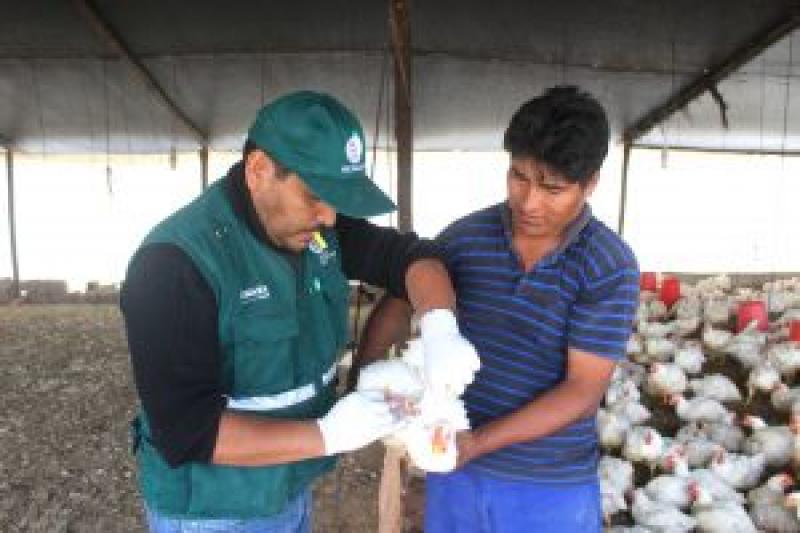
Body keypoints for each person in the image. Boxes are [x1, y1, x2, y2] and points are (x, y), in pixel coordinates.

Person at [120, 90, 479, 532]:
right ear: (258, 171)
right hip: (215, 509)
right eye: (316, 196)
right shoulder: (175, 265)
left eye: (338, 200)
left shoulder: (318, 227)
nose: (330, 217)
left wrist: (440, 327)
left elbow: (412, 257)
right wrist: (328, 434)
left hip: (289, 483)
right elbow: (186, 430)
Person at [353, 86, 640, 532]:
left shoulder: (608, 266)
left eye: (552, 188)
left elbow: (582, 392)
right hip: (455, 468)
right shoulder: (467, 238)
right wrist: (363, 376)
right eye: (518, 177)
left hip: (547, 487)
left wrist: (478, 443)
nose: (529, 202)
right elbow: (401, 295)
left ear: (591, 183)